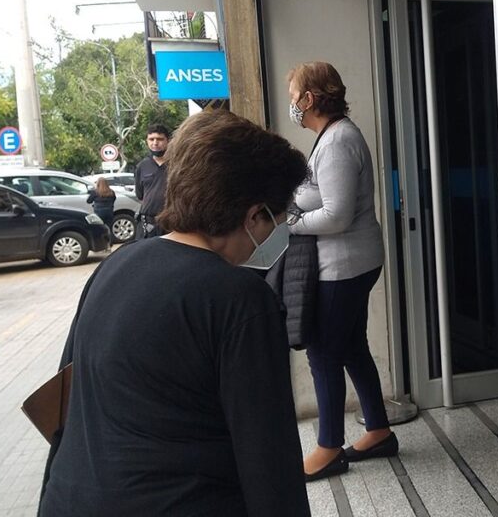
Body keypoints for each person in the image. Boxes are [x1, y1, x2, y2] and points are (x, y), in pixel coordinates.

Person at [38, 110, 311, 516]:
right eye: (280, 218)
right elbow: (269, 461)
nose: (279, 230)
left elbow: (63, 407)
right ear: (254, 215)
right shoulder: (240, 300)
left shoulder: (115, 266)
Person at [286, 61, 396, 481]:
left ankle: (329, 448)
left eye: (294, 97)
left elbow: (336, 216)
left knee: (323, 353)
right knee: (350, 347)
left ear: (310, 99)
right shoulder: (331, 137)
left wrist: (290, 223)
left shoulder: (336, 142)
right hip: (351, 263)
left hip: (344, 267)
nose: (292, 105)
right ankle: (379, 431)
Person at [133, 123, 171, 238]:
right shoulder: (142, 166)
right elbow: (140, 195)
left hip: (172, 222)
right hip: (148, 224)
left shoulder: (177, 164)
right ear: (147, 141)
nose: (155, 143)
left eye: (160, 139)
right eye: (151, 139)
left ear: (168, 141)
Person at [86, 177, 115, 244]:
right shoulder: (111, 192)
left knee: (99, 228)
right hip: (109, 211)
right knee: (109, 227)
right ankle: (110, 242)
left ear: (98, 184)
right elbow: (114, 199)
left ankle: (102, 243)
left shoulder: (95, 192)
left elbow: (88, 201)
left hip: (99, 212)